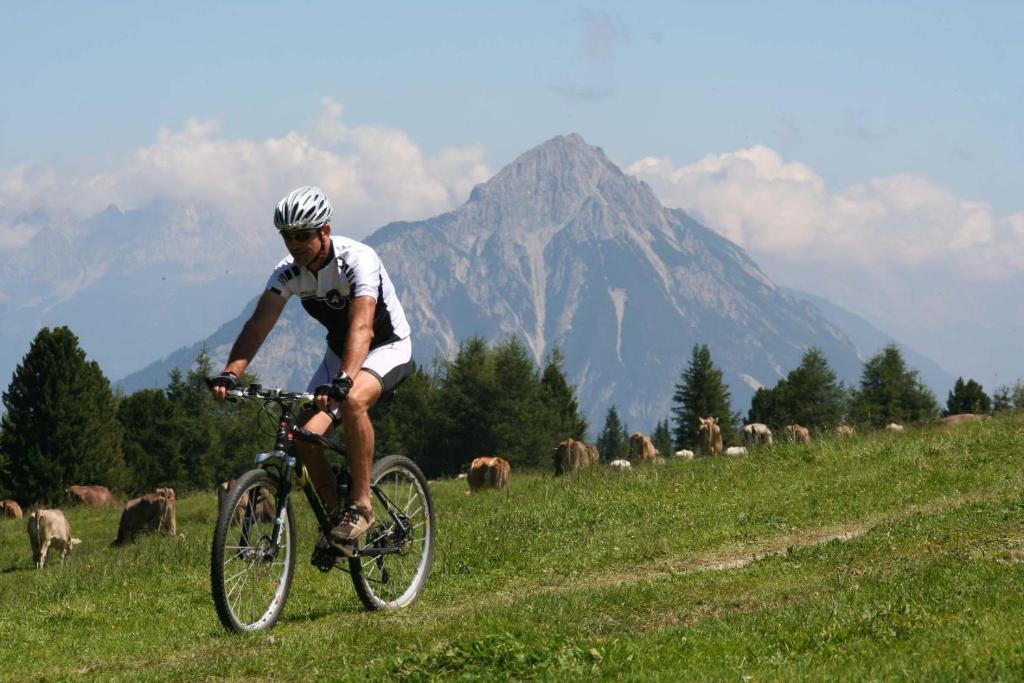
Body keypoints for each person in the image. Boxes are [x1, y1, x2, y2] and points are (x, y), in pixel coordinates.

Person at [210, 186, 412, 544]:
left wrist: (344, 380)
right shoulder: (287, 273)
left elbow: (362, 326)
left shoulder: (358, 259)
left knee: (352, 402)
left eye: (303, 235)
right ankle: (337, 518)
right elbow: (258, 324)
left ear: (325, 232)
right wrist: (232, 372)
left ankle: (362, 506)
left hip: (386, 347)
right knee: (303, 437)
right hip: (340, 354)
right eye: (288, 237)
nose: (295, 245)